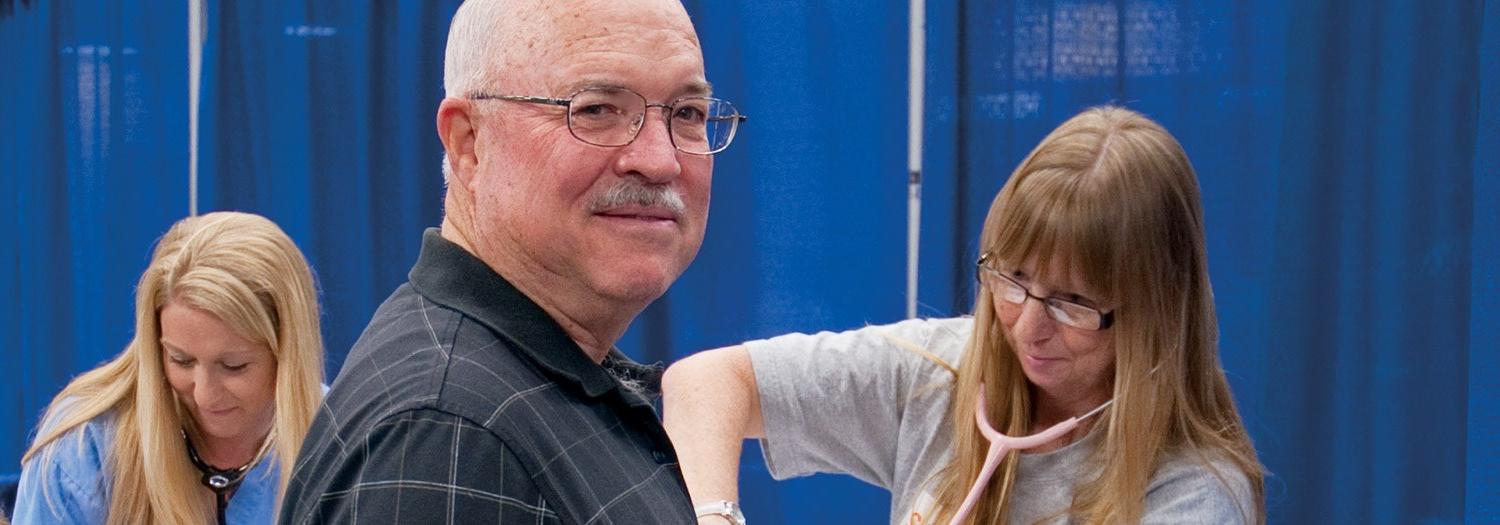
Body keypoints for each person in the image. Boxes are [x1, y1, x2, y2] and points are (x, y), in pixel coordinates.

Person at [663, 106, 1265, 524]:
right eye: (1013, 279)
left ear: (1154, 312)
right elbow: (705, 385)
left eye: (1071, 303)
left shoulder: (1194, 494)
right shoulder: (940, 373)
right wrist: (715, 514)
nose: (1027, 327)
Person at [278, 0, 744, 523]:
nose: (660, 160)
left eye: (687, 114)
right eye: (595, 110)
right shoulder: (449, 438)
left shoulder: (524, 390)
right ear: (468, 144)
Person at [12, 211, 325, 525]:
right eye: (181, 360)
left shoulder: (340, 433)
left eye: (233, 366)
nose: (205, 395)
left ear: (289, 354)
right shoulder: (85, 445)